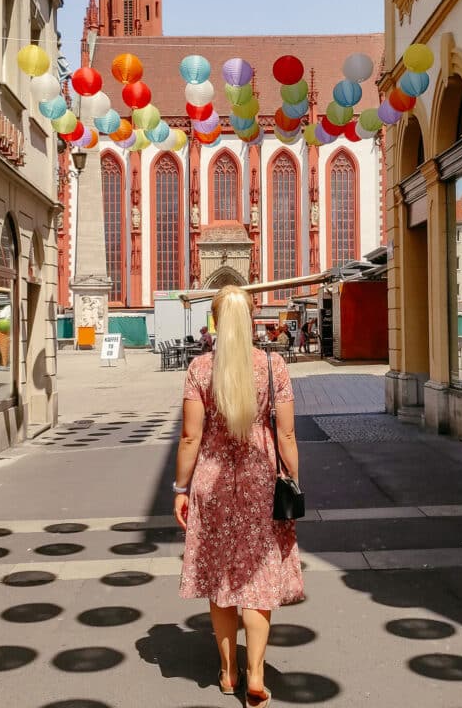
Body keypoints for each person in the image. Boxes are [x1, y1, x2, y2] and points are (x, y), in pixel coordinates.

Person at [174, 285, 303, 707]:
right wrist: (293, 481)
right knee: (257, 578)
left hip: (211, 484)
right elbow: (286, 435)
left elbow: (190, 436)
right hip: (260, 482)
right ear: (250, 320)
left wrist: (180, 488)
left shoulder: (199, 368)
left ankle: (228, 671)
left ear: (214, 322)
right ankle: (256, 675)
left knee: (220, 575)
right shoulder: (273, 366)